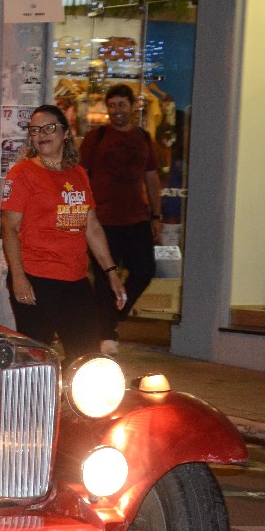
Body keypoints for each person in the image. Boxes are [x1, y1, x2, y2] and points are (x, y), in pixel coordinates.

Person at [0, 104, 126, 363]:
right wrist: (18, 276)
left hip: (76, 280)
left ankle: (73, 402)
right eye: (35, 130)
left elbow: (91, 226)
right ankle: (34, 403)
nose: (42, 134)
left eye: (49, 128)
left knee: (87, 356)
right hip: (36, 279)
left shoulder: (78, 174)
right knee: (36, 359)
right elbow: (9, 228)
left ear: (65, 133)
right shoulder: (22, 173)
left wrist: (111, 272)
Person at [78, 83, 162, 354]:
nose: (116, 111)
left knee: (145, 270)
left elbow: (151, 178)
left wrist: (156, 215)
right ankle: (107, 332)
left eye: (121, 105)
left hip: (136, 217)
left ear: (133, 106)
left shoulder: (143, 137)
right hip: (104, 218)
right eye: (111, 106)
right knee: (105, 276)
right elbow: (82, 175)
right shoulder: (97, 137)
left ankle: (111, 317)